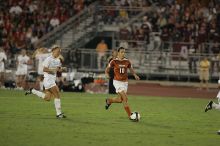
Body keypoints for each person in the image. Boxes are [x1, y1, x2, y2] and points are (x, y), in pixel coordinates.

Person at [25, 45, 66, 119]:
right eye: (57, 51)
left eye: (59, 51)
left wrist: (62, 69)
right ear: (53, 51)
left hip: (51, 80)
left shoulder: (57, 60)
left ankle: (33, 91)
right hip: (48, 80)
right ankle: (59, 114)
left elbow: (58, 69)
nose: (58, 53)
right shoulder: (48, 59)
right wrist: (53, 70)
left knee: (47, 98)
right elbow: (44, 69)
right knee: (57, 94)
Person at [105, 47, 140, 120]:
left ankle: (109, 101)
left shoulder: (127, 61)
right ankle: (130, 115)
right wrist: (107, 74)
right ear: (118, 53)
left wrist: (135, 75)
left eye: (124, 52)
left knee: (120, 100)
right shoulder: (113, 61)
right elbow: (107, 70)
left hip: (125, 83)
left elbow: (131, 69)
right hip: (117, 82)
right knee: (125, 98)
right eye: (121, 52)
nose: (123, 53)